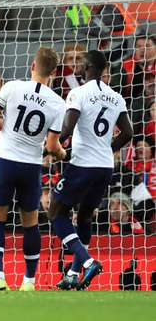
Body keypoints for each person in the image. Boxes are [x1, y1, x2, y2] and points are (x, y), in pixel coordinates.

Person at [0, 46, 67, 292]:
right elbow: (51, 146)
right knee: (30, 223)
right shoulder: (58, 103)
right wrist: (61, 153)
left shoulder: (12, 87)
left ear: (32, 66)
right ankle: (28, 281)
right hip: (30, 165)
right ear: (54, 73)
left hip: (4, 161)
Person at [49, 50, 133, 291]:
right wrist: (107, 149)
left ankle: (87, 261)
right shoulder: (116, 97)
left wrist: (46, 149)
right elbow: (128, 133)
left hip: (83, 164)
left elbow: (66, 130)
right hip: (105, 167)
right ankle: (73, 274)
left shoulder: (78, 93)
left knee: (56, 213)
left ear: (86, 66)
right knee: (85, 216)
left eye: (79, 62)